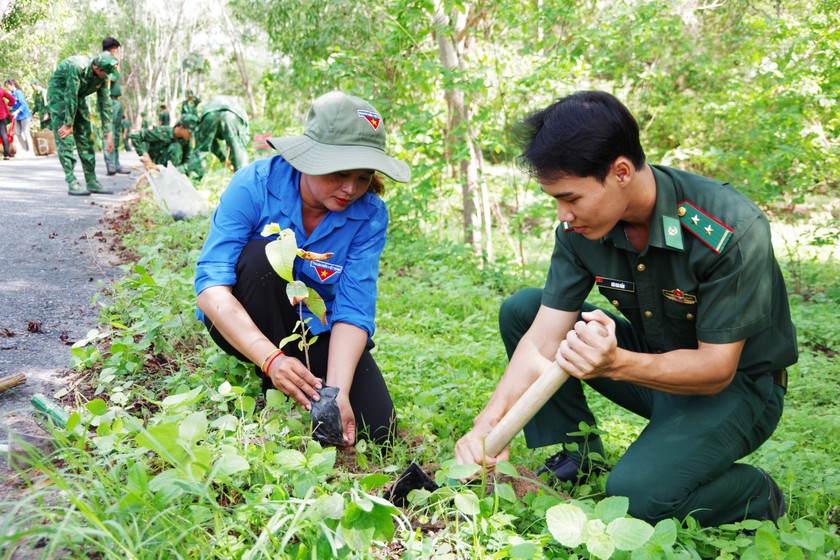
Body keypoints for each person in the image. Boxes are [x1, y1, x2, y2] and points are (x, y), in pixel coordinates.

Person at [455, 91, 795, 528]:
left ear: (619, 172)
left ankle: (756, 494)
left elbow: (716, 368)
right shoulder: (580, 230)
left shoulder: (730, 228)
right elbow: (542, 339)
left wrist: (615, 363)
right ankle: (579, 457)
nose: (563, 215)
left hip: (737, 389)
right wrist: (489, 423)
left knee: (636, 499)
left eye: (571, 198)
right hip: (652, 365)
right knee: (523, 310)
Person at [195, 91, 410, 446]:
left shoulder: (369, 214)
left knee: (379, 429)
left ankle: (306, 384)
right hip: (245, 319)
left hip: (314, 327)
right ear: (309, 158)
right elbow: (211, 289)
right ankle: (278, 379)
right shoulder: (255, 185)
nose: (350, 189)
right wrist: (272, 360)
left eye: (363, 177)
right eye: (340, 173)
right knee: (264, 255)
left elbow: (353, 308)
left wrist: (338, 391)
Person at [48, 51, 119, 195]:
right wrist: (68, 123)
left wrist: (109, 133)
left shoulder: (104, 76)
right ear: (97, 68)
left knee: (86, 136)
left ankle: (91, 181)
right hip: (60, 95)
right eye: (105, 73)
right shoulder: (77, 66)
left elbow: (105, 104)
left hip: (78, 96)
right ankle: (72, 181)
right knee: (65, 137)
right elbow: (70, 93)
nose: (107, 77)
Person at [185, 95, 250, 180]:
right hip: (231, 114)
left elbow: (210, 145)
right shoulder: (238, 111)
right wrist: (228, 160)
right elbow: (240, 144)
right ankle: (243, 180)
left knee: (201, 151)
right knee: (237, 148)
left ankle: (191, 180)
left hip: (209, 114)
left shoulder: (216, 105)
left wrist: (225, 160)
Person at [129, 114, 197, 171]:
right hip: (156, 165)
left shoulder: (187, 140)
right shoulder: (162, 132)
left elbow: (188, 159)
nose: (191, 135)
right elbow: (135, 135)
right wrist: (145, 154)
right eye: (190, 132)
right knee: (176, 147)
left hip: (172, 171)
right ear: (181, 127)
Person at [103, 81, 130, 175]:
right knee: (109, 130)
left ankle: (116, 164)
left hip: (117, 100)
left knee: (117, 134)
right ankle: (110, 163)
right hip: (110, 100)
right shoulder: (109, 68)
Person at [5, 79, 34, 158]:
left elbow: (24, 105)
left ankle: (31, 151)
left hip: (24, 115)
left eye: (8, 86)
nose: (8, 88)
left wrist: (17, 111)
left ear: (12, 85)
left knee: (26, 133)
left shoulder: (19, 93)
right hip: (17, 117)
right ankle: (24, 149)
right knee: (17, 133)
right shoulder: (13, 94)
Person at [0, 84, 14, 160]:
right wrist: (8, 105)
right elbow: (12, 99)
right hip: (2, 115)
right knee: (3, 134)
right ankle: (6, 154)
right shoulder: (1, 91)